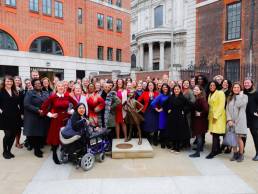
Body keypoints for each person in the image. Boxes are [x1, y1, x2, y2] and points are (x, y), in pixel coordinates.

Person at [41, 81, 77, 164]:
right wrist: (50, 114)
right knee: (56, 138)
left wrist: (71, 111)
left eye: (62, 86)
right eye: (59, 86)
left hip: (66, 119)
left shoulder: (67, 96)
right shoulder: (53, 97)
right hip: (56, 120)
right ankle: (54, 155)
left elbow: (76, 104)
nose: (61, 87)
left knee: (66, 136)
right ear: (56, 87)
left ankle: (66, 153)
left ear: (64, 88)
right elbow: (43, 107)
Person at [23, 79, 50, 158]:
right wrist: (38, 110)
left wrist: (45, 111)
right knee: (35, 134)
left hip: (43, 117)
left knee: (41, 134)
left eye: (39, 83)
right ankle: (36, 150)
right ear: (33, 85)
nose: (38, 85)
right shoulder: (29, 93)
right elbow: (26, 104)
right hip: (33, 117)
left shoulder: (44, 93)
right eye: (36, 83)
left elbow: (48, 103)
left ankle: (38, 148)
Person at [0, 76, 23, 159]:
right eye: (7, 81)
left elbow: (19, 102)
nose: (9, 83)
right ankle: (5, 151)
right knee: (8, 134)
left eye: (10, 81)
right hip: (5, 116)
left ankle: (9, 150)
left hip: (15, 116)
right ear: (4, 82)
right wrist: (1, 111)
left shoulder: (15, 91)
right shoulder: (1, 91)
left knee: (13, 134)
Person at [226, 82, 248, 162]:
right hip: (231, 121)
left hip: (240, 121)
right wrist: (229, 120)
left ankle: (241, 154)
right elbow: (227, 109)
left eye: (238, 87)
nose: (236, 89)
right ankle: (235, 154)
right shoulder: (230, 97)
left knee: (239, 139)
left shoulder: (244, 97)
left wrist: (240, 96)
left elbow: (239, 104)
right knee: (233, 138)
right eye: (234, 87)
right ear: (232, 88)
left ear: (240, 89)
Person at [166, 85, 191, 153]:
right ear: (173, 90)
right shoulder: (171, 97)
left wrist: (184, 110)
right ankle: (174, 146)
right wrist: (168, 109)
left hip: (180, 117)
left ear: (180, 90)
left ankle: (178, 147)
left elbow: (189, 105)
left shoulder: (183, 97)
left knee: (179, 132)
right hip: (172, 116)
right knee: (173, 131)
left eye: (177, 89)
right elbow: (166, 104)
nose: (176, 90)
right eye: (175, 89)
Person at [206, 81, 226, 159]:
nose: (212, 86)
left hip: (219, 116)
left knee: (215, 134)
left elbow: (221, 105)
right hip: (212, 116)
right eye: (210, 85)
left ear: (216, 86)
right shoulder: (210, 94)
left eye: (213, 85)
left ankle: (213, 152)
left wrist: (216, 116)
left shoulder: (220, 93)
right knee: (214, 134)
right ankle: (217, 150)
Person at [189, 85, 208, 157]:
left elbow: (206, 109)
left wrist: (200, 113)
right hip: (199, 120)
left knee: (199, 136)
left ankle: (197, 153)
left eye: (197, 90)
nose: (195, 91)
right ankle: (200, 148)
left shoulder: (201, 99)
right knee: (200, 136)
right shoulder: (198, 98)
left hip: (200, 121)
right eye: (194, 89)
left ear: (200, 91)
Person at [151, 83, 170, 148]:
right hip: (162, 114)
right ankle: (162, 143)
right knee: (162, 128)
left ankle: (167, 142)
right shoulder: (160, 95)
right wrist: (157, 109)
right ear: (162, 88)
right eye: (163, 87)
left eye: (166, 87)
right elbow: (153, 103)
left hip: (169, 113)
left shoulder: (170, 95)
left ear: (168, 88)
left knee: (168, 128)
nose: (165, 88)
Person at [243, 78, 258, 161]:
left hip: (254, 118)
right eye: (245, 83)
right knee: (242, 135)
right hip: (244, 117)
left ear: (251, 84)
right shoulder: (243, 93)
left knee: (255, 136)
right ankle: (241, 151)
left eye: (248, 83)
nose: (246, 84)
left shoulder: (256, 93)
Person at [14, 76, 24, 149]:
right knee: (11, 129)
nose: (17, 81)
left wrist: (22, 113)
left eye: (18, 80)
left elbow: (22, 102)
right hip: (11, 112)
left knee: (18, 128)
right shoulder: (10, 89)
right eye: (16, 80)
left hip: (19, 112)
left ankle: (17, 142)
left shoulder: (21, 90)